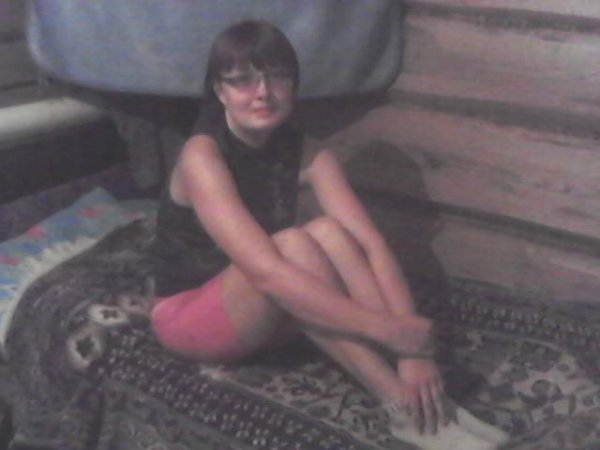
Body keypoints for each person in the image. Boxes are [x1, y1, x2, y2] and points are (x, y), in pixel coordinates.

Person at [149, 20, 497, 444]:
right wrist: (385, 329)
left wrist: (412, 349)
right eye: (242, 81)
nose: (263, 93)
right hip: (188, 315)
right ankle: (401, 408)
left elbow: (371, 245)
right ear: (220, 92)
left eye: (277, 77)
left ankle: (427, 400)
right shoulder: (202, 153)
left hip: (265, 309)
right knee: (292, 245)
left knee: (329, 232)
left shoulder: (306, 149)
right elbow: (266, 274)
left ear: (294, 85)